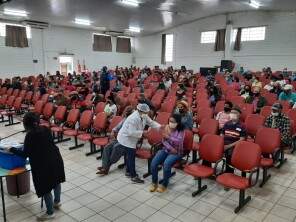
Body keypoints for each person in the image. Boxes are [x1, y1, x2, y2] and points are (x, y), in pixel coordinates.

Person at [8, 112, 65, 221]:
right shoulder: (45, 128)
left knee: (45, 187)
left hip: (43, 165)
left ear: (26, 124)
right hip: (56, 159)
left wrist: (12, 149)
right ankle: (57, 202)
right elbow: (42, 144)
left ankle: (50, 213)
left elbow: (25, 154)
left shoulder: (30, 135)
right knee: (56, 181)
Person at [116, 103, 162, 183]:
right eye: (145, 113)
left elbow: (151, 122)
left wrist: (160, 127)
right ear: (139, 111)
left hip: (131, 138)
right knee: (131, 157)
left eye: (147, 113)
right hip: (126, 139)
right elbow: (131, 132)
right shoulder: (133, 118)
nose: (146, 114)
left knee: (129, 156)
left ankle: (128, 171)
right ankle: (133, 176)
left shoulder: (143, 115)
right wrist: (143, 132)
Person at [150, 114, 185, 193]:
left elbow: (179, 141)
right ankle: (154, 182)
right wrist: (170, 148)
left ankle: (164, 184)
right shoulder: (166, 127)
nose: (171, 123)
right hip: (167, 149)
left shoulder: (181, 130)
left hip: (177, 152)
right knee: (154, 163)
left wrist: (168, 137)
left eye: (173, 122)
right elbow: (163, 140)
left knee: (166, 164)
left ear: (178, 123)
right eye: (170, 121)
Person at [96, 106, 134, 175]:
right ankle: (105, 167)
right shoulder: (125, 119)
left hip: (127, 142)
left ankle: (106, 167)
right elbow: (117, 127)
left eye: (128, 112)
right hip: (119, 139)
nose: (125, 113)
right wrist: (113, 131)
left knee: (116, 147)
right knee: (107, 147)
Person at [221, 107, 246, 173]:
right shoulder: (227, 123)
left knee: (230, 153)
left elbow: (242, 139)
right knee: (210, 147)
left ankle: (229, 172)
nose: (233, 114)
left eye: (235, 113)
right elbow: (222, 135)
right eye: (232, 112)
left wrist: (228, 146)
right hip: (225, 143)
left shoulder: (242, 125)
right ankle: (206, 167)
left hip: (235, 145)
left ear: (239, 115)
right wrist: (221, 144)